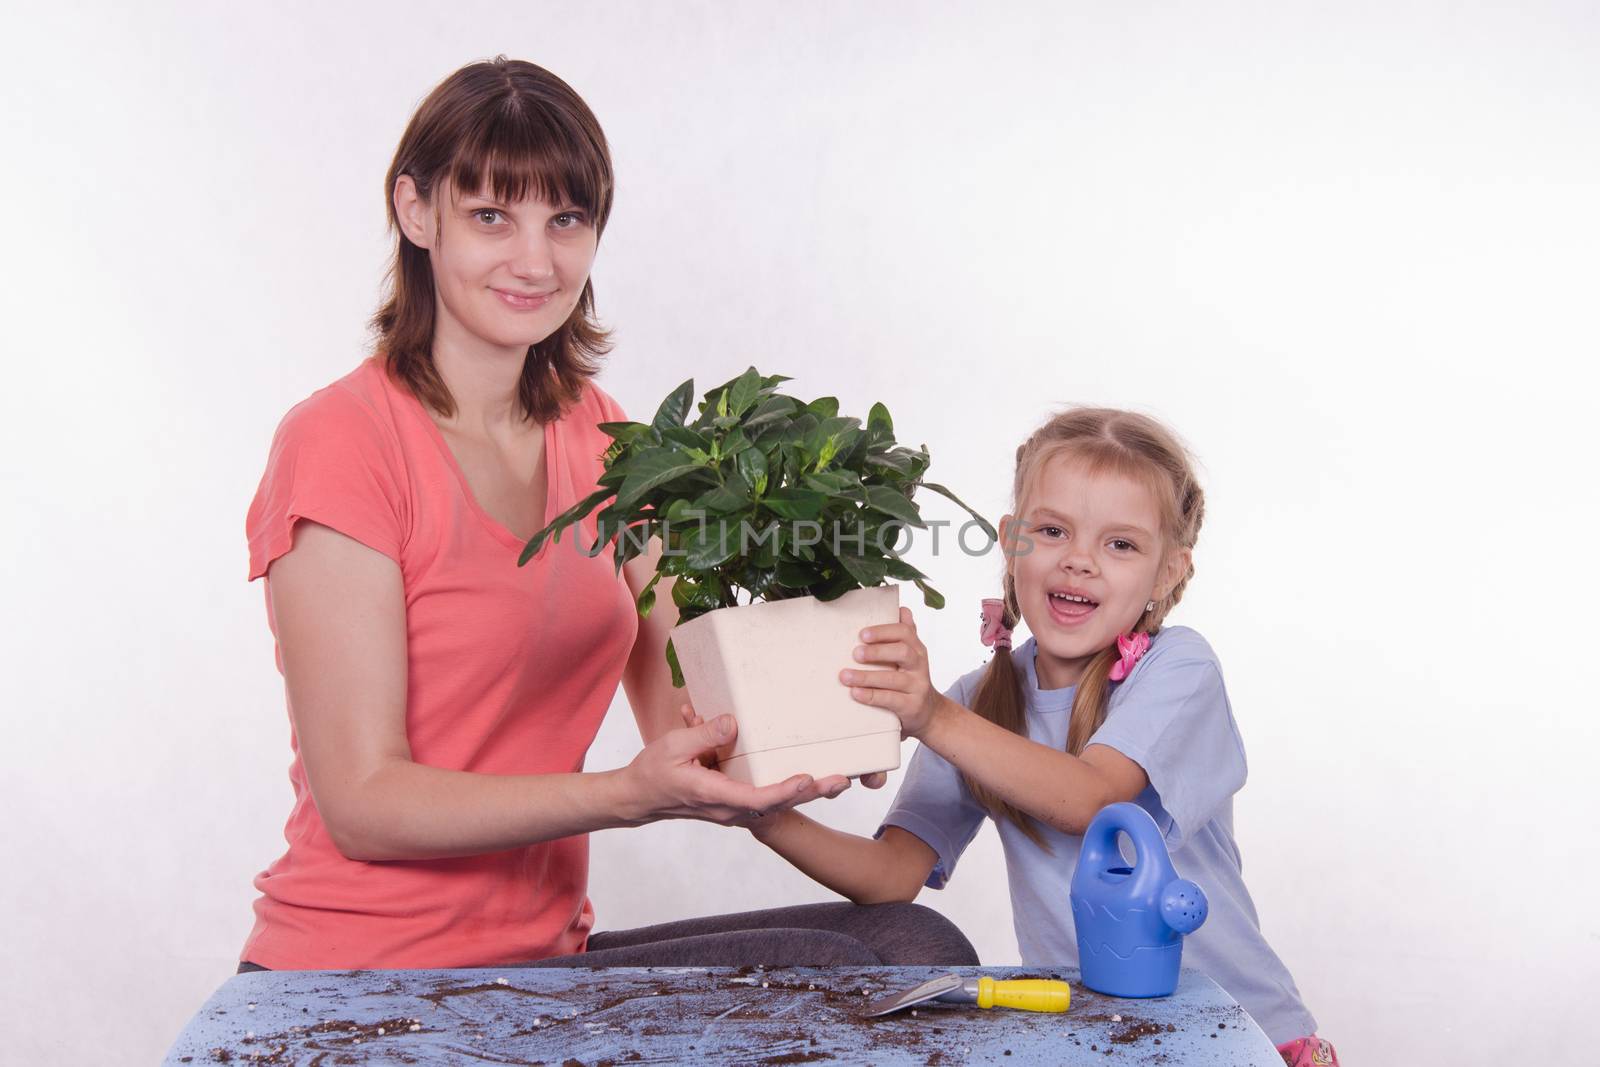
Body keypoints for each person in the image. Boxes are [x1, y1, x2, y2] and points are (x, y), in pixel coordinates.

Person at [238, 56, 975, 972]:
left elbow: (686, 703)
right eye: (491, 216)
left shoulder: (598, 430)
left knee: (911, 944)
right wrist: (624, 794)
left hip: (536, 960)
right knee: (876, 969)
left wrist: (823, 714)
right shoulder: (342, 442)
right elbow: (363, 801)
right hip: (359, 972)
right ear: (416, 211)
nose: (536, 260)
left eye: (567, 219)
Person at [740, 407, 1338, 1065]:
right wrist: (767, 817)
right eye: (1053, 530)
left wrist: (933, 717)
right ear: (1012, 540)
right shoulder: (976, 702)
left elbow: (1093, 800)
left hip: (1241, 1037)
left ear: (1168, 572)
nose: (1079, 560)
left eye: (1121, 544)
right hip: (1095, 1042)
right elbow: (890, 877)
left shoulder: (1178, 668)